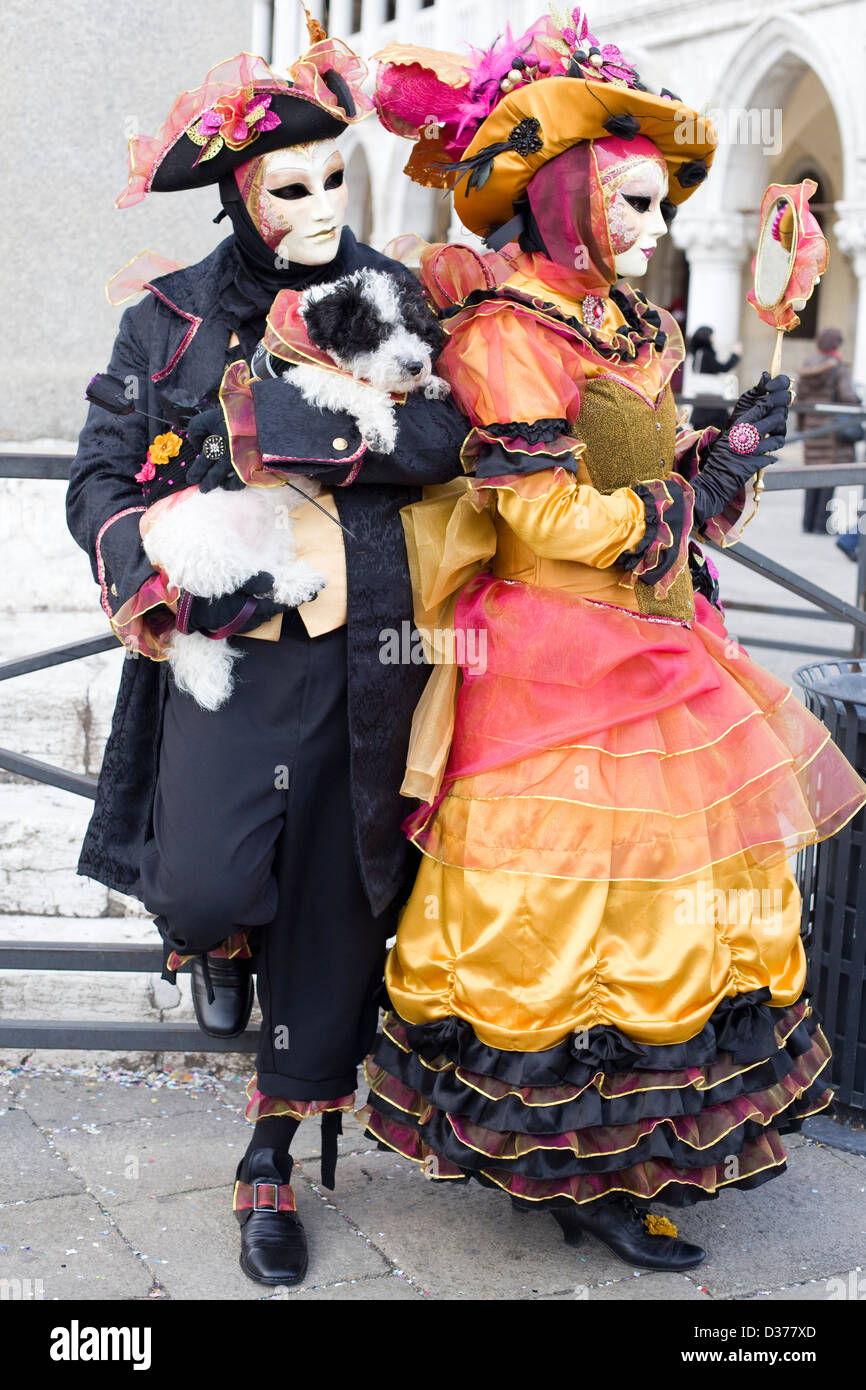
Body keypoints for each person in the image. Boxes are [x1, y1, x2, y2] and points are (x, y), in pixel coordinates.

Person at [357, 10, 866, 1272]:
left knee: (678, 903)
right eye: (627, 207)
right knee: (569, 909)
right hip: (548, 655)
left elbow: (642, 483)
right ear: (563, 193)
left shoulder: (630, 327)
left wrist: (724, 450)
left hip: (659, 637)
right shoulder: (503, 330)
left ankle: (648, 1150)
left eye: (655, 209)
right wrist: (681, 497)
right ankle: (572, 1167)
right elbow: (543, 508)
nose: (646, 234)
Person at [66, 29, 465, 1287]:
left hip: (365, 655)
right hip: (227, 656)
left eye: (333, 179)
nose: (317, 208)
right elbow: (95, 477)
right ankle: (215, 942)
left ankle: (268, 1165)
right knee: (200, 884)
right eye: (287, 186)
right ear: (243, 194)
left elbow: (443, 432)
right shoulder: (172, 317)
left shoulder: (396, 292)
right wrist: (149, 565)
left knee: (334, 918)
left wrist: (295, 429)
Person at [796, 326, 862, 534]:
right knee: (828, 476)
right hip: (832, 429)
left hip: (812, 429)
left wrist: (801, 426)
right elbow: (848, 396)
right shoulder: (838, 367)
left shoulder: (807, 366)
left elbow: (799, 399)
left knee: (811, 475)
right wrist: (858, 400)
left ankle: (807, 522)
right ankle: (820, 524)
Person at [687, 325, 742, 431]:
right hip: (710, 402)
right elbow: (723, 368)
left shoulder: (698, 354)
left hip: (702, 402)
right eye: (712, 336)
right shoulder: (705, 354)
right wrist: (735, 355)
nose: (713, 339)